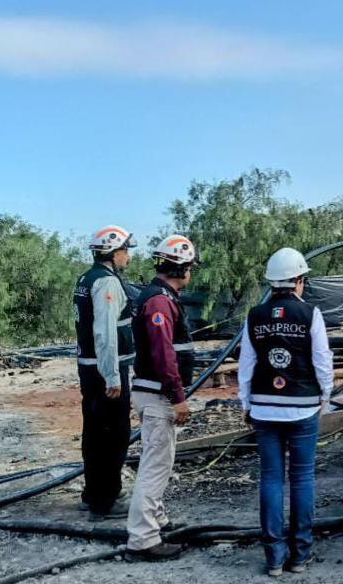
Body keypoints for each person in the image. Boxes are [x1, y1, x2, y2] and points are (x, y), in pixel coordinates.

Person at [239, 247, 334, 577]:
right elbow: (322, 361)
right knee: (302, 478)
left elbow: (246, 365)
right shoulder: (310, 314)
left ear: (272, 282)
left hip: (265, 408)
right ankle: (300, 556)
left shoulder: (255, 315)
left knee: (270, 478)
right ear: (298, 280)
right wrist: (325, 395)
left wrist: (246, 403)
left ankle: (274, 557)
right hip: (303, 407)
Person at [125, 234, 198, 561]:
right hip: (157, 396)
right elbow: (162, 354)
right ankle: (143, 538)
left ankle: (157, 519)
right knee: (155, 467)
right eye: (190, 267)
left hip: (152, 393)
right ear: (181, 268)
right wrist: (178, 396)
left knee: (159, 462)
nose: (192, 273)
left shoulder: (158, 297)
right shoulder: (158, 302)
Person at [73, 225, 137, 522]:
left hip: (88, 368)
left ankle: (92, 493)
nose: (128, 256)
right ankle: (106, 500)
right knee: (114, 435)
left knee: (94, 432)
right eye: (126, 250)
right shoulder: (107, 283)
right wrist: (112, 375)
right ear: (113, 253)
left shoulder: (86, 279)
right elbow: (106, 332)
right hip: (106, 371)